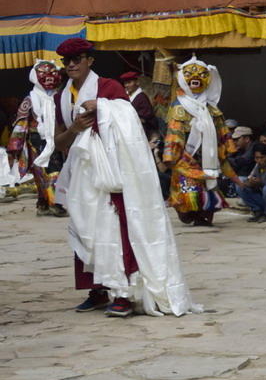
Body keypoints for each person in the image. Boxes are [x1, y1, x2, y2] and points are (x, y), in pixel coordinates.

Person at [52, 38, 195, 318]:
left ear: (89, 60)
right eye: (66, 61)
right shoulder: (62, 97)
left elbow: (129, 123)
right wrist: (76, 128)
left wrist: (104, 108)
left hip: (114, 171)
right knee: (86, 230)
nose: (71, 65)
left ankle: (124, 292)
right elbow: (59, 141)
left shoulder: (109, 87)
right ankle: (98, 289)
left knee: (113, 230)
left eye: (77, 59)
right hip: (83, 173)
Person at [160, 57, 238, 227]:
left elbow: (221, 130)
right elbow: (174, 132)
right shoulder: (179, 107)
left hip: (208, 156)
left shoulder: (211, 108)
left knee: (208, 190)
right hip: (186, 157)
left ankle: (205, 215)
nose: (195, 78)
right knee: (189, 195)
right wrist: (171, 156)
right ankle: (190, 214)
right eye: (189, 74)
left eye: (202, 74)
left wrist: (226, 146)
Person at [8, 58, 66, 214]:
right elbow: (21, 124)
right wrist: (15, 146)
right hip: (36, 141)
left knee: (53, 171)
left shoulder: (61, 97)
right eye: (43, 73)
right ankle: (53, 204)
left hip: (57, 139)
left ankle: (44, 204)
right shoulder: (30, 100)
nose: (48, 76)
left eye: (52, 72)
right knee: (44, 173)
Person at [119, 69, 158, 145]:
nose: (126, 85)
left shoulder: (141, 97)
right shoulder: (125, 96)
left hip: (142, 129)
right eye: (125, 83)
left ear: (137, 82)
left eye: (129, 82)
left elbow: (146, 117)